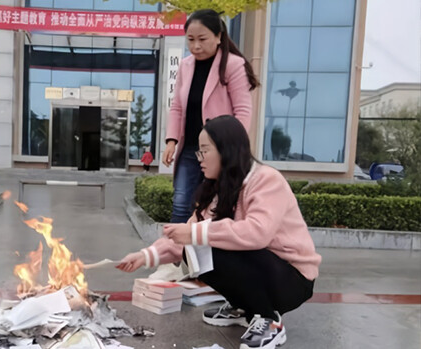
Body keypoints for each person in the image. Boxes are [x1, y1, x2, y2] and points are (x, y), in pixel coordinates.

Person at [118, 116, 321, 349]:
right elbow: (184, 239)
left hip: (291, 279)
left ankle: (269, 319)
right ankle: (243, 306)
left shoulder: (266, 179)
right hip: (263, 269)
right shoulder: (216, 188)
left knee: (210, 247)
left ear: (227, 150)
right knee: (193, 251)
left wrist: (195, 234)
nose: (199, 159)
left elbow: (258, 233)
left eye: (204, 151)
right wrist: (144, 256)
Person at [163, 9, 259, 224]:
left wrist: (233, 148)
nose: (196, 46)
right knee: (180, 205)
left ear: (218, 37)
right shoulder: (185, 66)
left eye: (202, 39)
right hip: (190, 149)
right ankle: (176, 255)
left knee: (217, 208)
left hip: (220, 152)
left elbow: (243, 110)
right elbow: (177, 107)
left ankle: (211, 255)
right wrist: (171, 141)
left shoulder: (233, 65)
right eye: (190, 40)